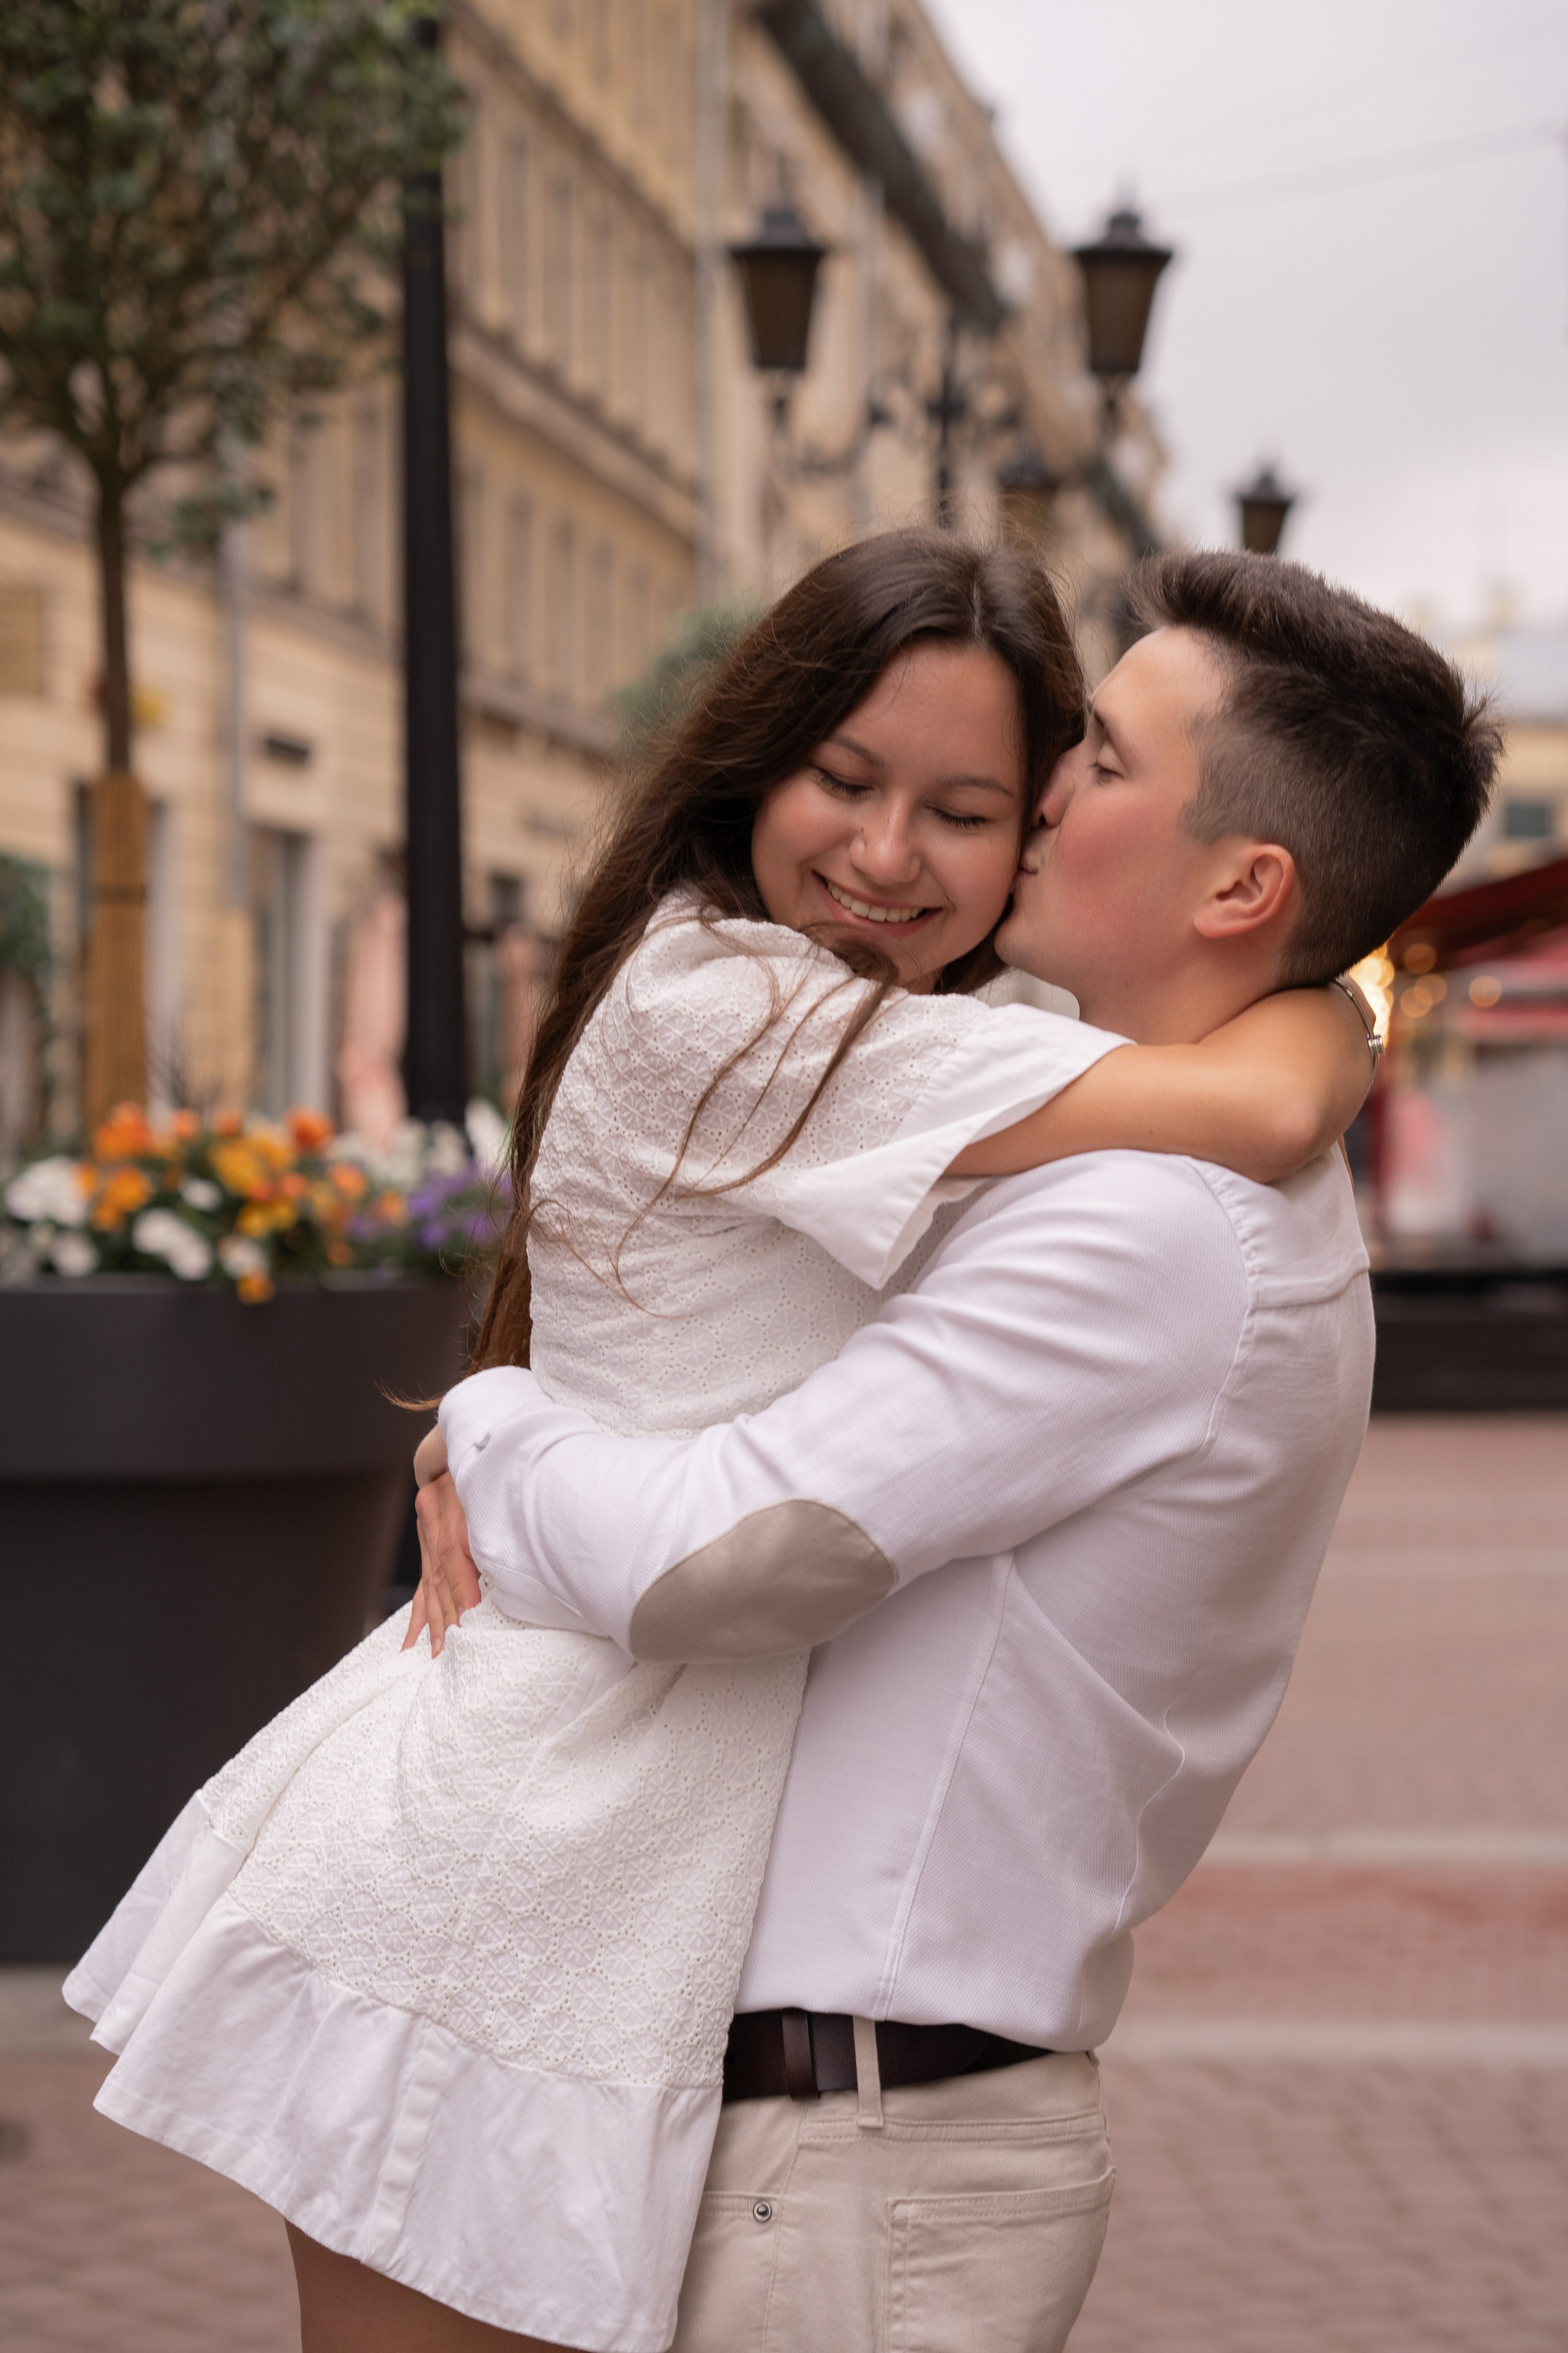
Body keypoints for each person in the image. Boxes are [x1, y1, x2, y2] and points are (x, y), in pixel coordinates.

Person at [66, 534, 1370, 2352]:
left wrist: (492, 1423)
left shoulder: (937, 1029)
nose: (889, 853)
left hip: (603, 1859)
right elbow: (1263, 1093)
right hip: (511, 1838)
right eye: (845, 778)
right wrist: (1334, 1003)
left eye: (984, 805)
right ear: (756, 759)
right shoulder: (745, 1010)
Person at [413, 550, 1502, 2353]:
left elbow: (713, 1557)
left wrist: (495, 1419)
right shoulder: (1102, 1121)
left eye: (1103, 762)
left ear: (1243, 879)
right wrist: (1333, 1015)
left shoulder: (1151, 1232)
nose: (1055, 785)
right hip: (828, 2132)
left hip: (858, 2160)